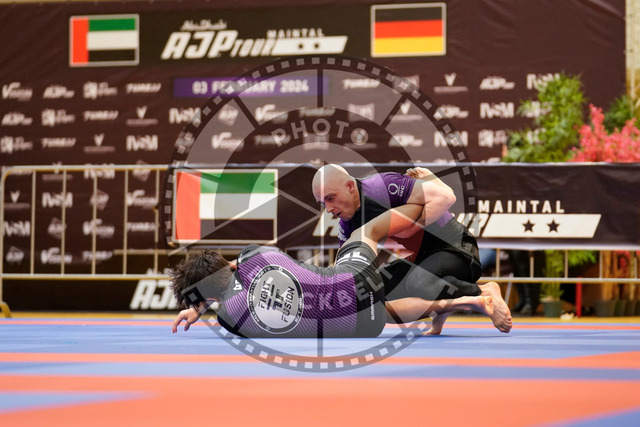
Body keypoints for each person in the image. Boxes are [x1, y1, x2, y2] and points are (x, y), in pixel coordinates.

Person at [170, 204, 498, 338]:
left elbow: (226, 297)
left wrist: (200, 305)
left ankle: (459, 303)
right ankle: (419, 206)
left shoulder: (230, 320)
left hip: (359, 328)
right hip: (354, 279)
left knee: (380, 310)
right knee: (364, 233)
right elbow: (238, 270)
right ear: (227, 264)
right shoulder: (251, 255)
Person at [311, 164, 512, 333]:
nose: (328, 209)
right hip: (422, 258)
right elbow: (345, 272)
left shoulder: (381, 186)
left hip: (458, 247)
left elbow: (446, 197)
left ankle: (484, 291)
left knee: (420, 281)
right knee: (373, 294)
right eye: (323, 203)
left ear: (349, 186)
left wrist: (411, 228)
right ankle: (444, 308)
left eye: (331, 198)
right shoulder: (347, 224)